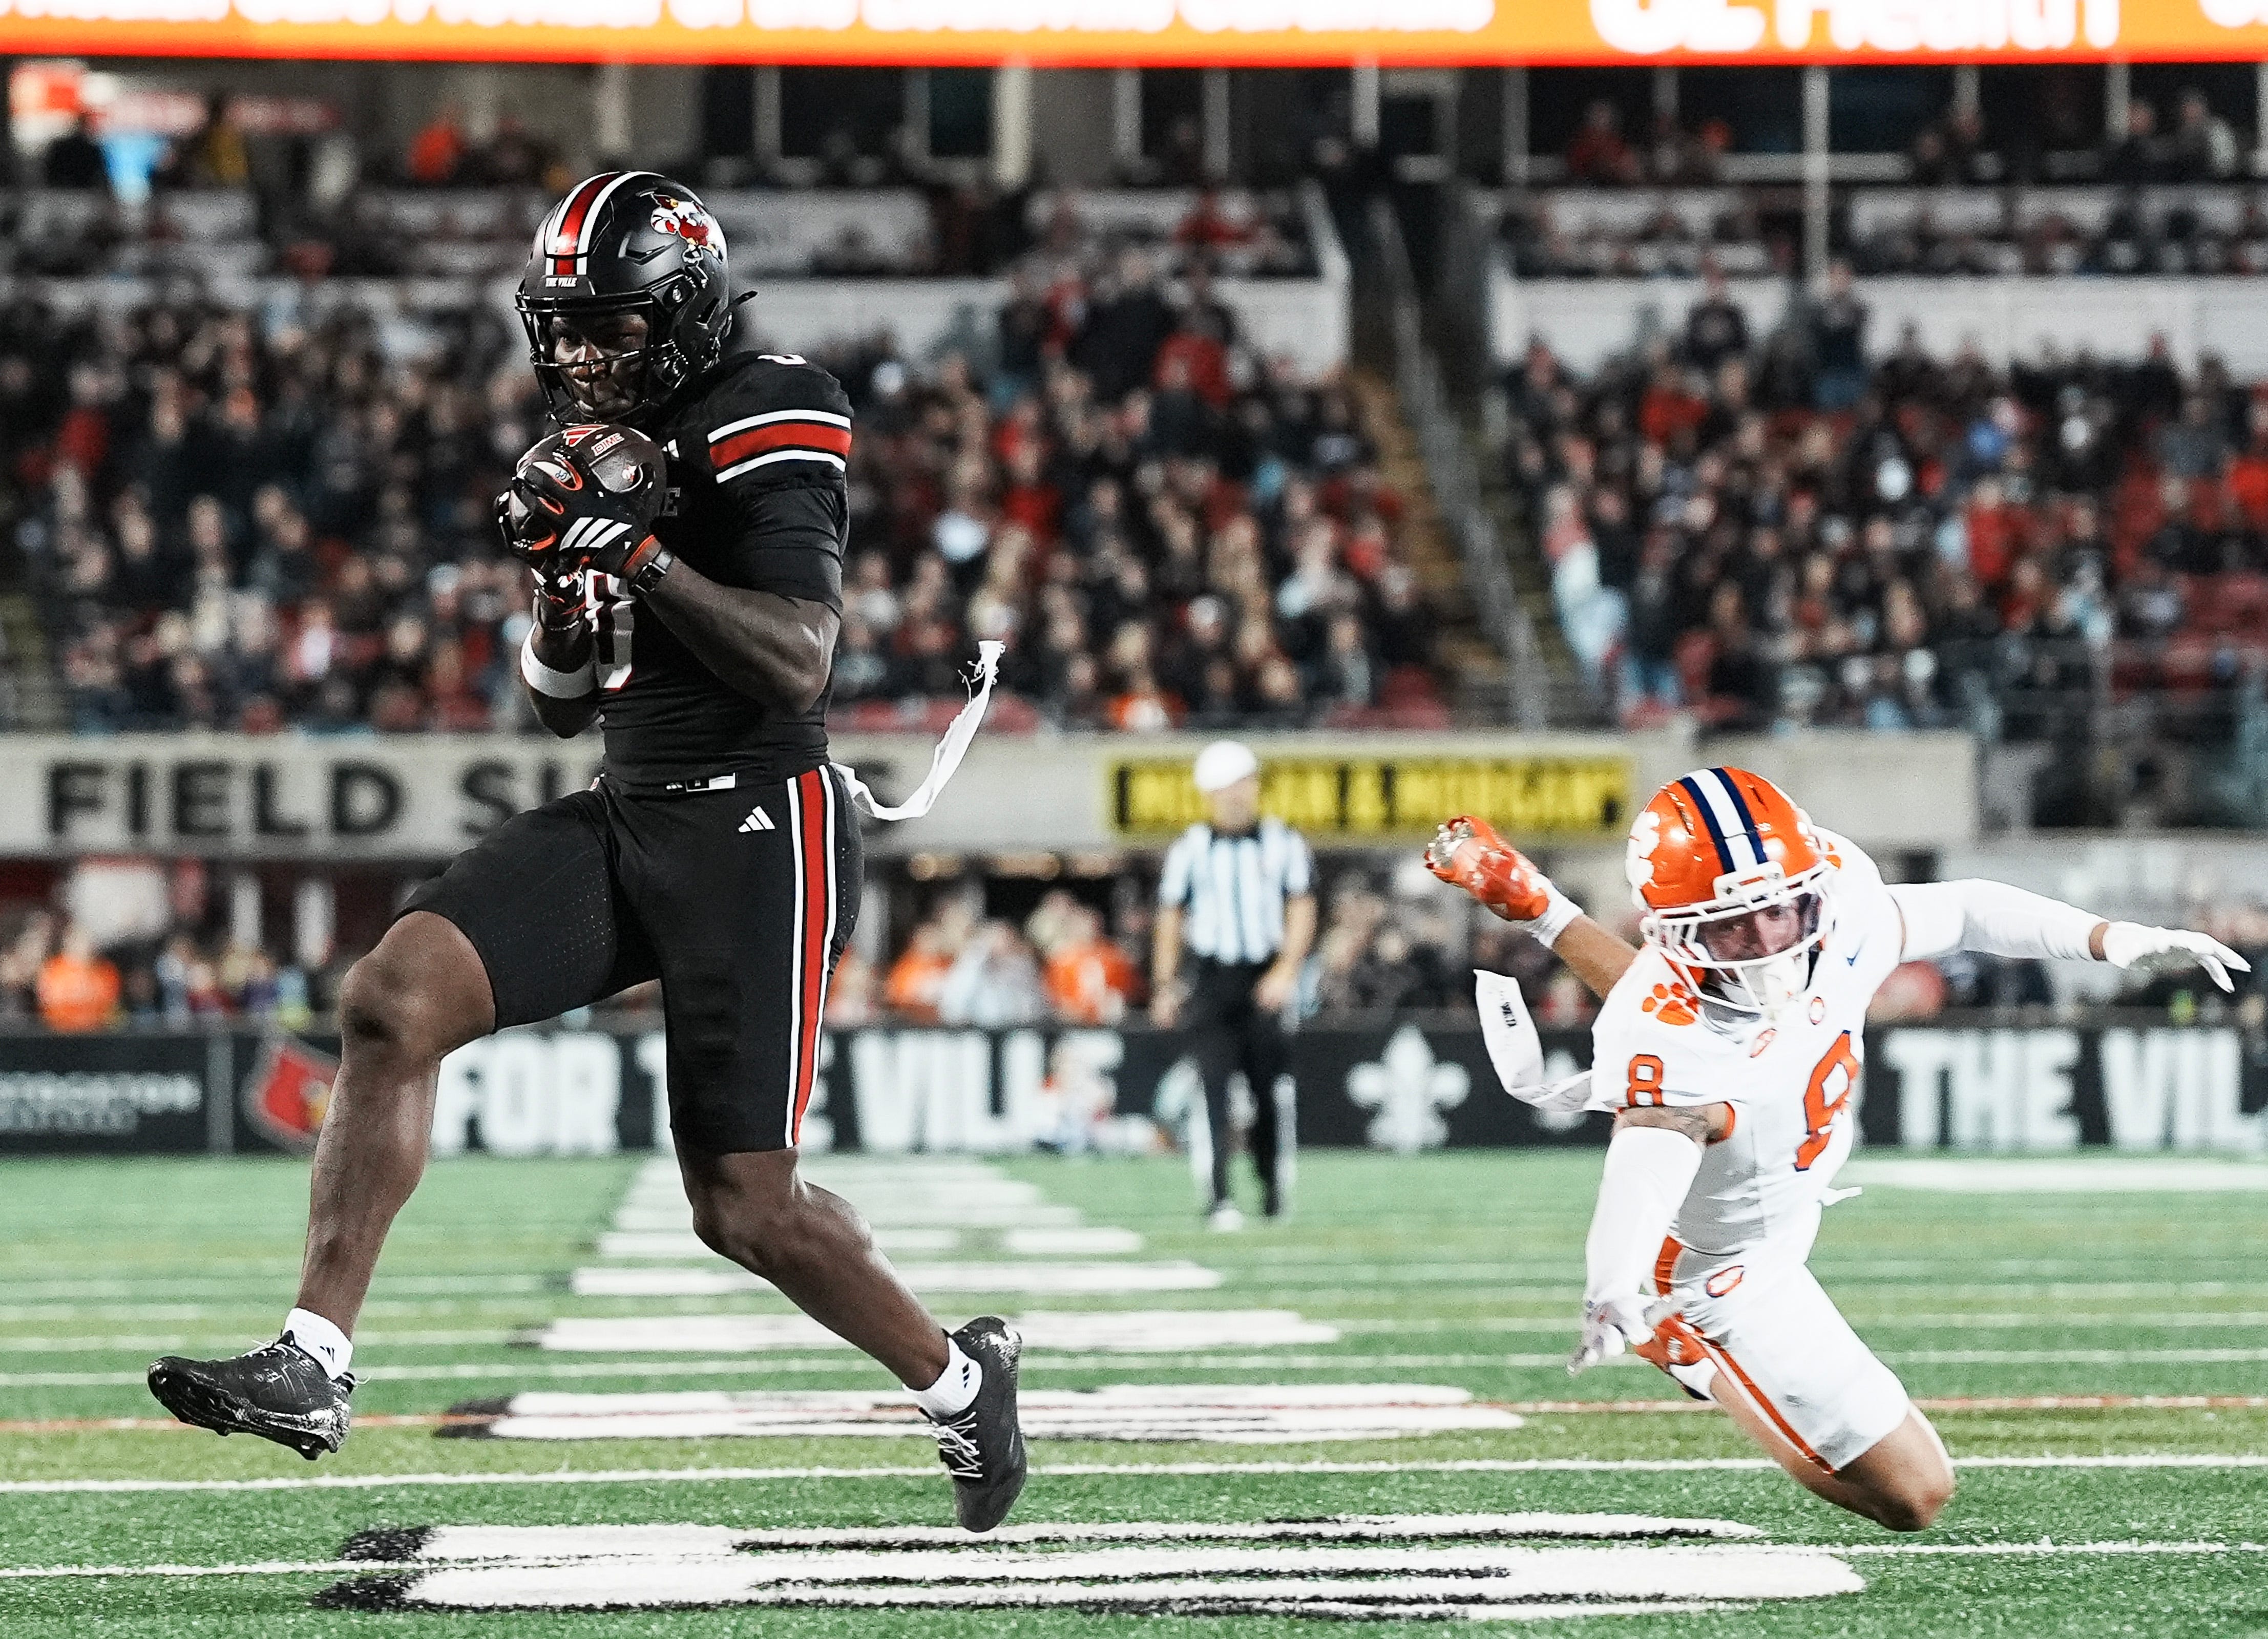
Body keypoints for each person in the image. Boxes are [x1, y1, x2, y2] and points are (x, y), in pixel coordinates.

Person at [146, 172, 1026, 1536]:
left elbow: (798, 660)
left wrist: (641, 552)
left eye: (610, 327)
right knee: (390, 999)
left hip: (758, 826)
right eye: (562, 331)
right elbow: (561, 702)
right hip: (630, 805)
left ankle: (960, 1381)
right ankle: (314, 1360)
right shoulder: (591, 442)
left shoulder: (770, 404)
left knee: (743, 1209)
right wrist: (567, 596)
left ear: (685, 311)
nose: (582, 358)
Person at [1428, 767, 2243, 1532]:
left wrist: (2111, 939)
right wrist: (1613, 1283)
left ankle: (1537, 899)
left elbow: (1964, 910)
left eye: (1778, 911)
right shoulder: (1664, 1037)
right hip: (1723, 1266)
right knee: (1915, 1496)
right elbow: (1646, 1162)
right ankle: (1687, 1349)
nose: (1766, 941)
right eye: (1732, 926)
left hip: (1784, 1202)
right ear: (1675, 935)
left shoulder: (1839, 911)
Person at [1151, 740, 1317, 1228]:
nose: (1237, 795)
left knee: (1270, 1092)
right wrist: (1165, 984)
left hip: (1264, 976)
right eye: (1227, 786)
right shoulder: (1190, 848)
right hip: (1212, 980)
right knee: (1213, 1090)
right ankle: (1219, 1196)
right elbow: (1170, 919)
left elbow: (1302, 908)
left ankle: (1272, 1189)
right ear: (1210, 793)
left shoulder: (1284, 842)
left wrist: (1285, 970)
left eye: (1243, 783)